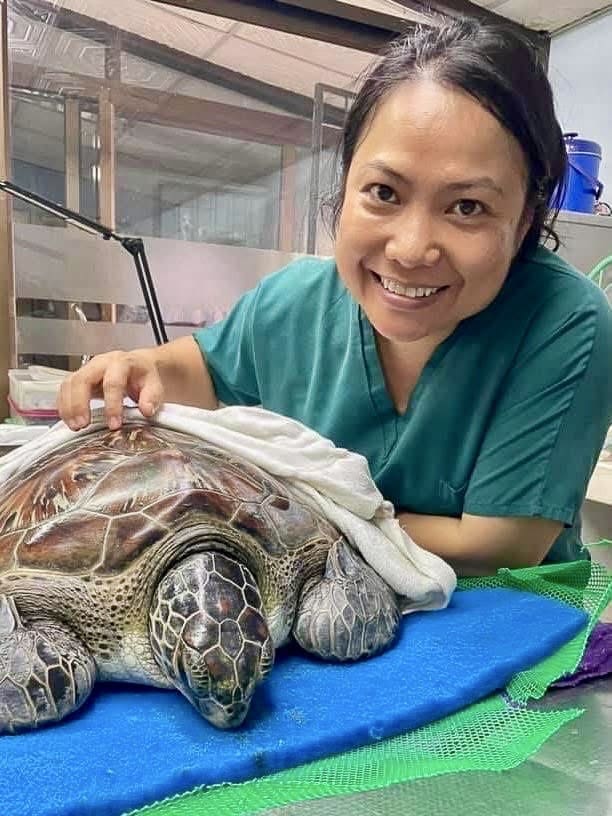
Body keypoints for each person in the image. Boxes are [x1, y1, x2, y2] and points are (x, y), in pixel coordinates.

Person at [58, 17, 612, 577]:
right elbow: (198, 368)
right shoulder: (292, 304)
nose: (411, 249)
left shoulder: (565, 323)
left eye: (467, 206)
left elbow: (497, 546)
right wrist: (135, 368)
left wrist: (280, 513)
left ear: (524, 221)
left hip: (493, 620)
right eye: (384, 192)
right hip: (307, 598)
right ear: (344, 188)